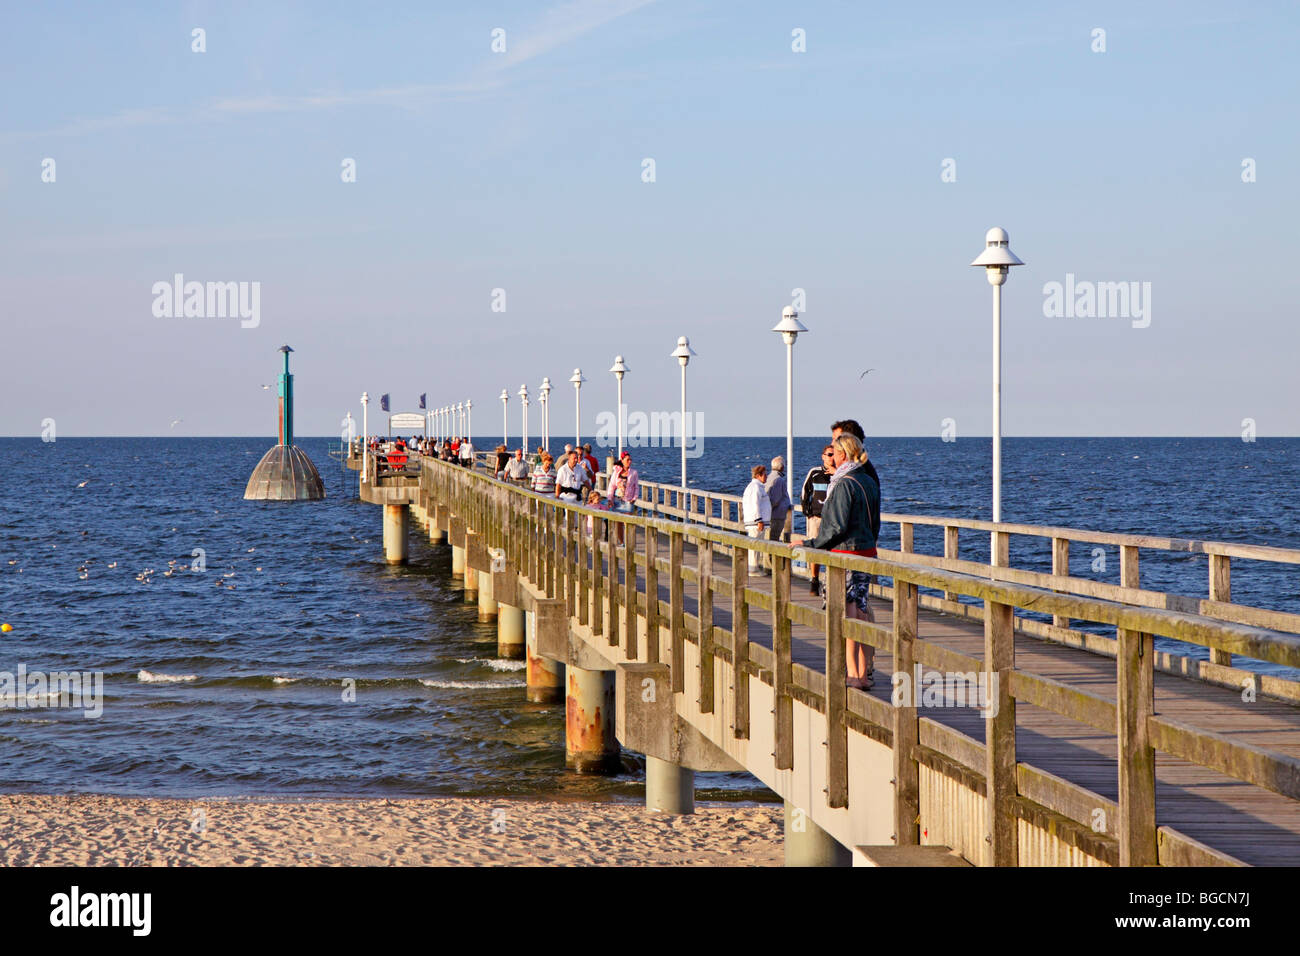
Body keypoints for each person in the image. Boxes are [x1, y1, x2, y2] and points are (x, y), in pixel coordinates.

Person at [805, 433, 881, 690]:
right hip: (867, 552)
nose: (832, 459)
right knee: (860, 608)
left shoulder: (843, 482)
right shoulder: (868, 480)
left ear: (844, 454)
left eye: (835, 454)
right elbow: (875, 523)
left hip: (846, 555)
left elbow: (835, 526)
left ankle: (852, 674)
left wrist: (810, 545)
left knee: (848, 611)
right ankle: (862, 673)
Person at [830, 419, 881, 537]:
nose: (832, 443)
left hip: (850, 544)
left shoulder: (857, 474)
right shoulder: (860, 469)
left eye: (837, 439)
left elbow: (839, 523)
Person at [801, 445, 835, 595]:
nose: (831, 458)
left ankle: (831, 581)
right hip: (816, 517)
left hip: (832, 520)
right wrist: (807, 510)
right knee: (815, 548)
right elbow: (805, 491)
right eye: (829, 454)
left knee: (832, 550)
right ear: (823, 456)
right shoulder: (814, 472)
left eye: (834, 454)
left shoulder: (839, 474)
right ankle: (814, 580)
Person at [741, 464, 771, 573]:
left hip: (755, 522)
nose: (766, 477)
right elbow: (755, 504)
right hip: (756, 523)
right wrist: (759, 520)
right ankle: (753, 569)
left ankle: (754, 568)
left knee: (756, 545)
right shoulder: (756, 488)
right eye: (765, 474)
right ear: (758, 475)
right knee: (755, 546)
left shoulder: (754, 486)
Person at [765, 456, 792, 543]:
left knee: (771, 538)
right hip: (777, 515)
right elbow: (775, 500)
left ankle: (769, 556)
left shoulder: (768, 477)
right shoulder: (778, 480)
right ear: (782, 467)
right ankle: (771, 556)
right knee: (774, 539)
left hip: (770, 515)